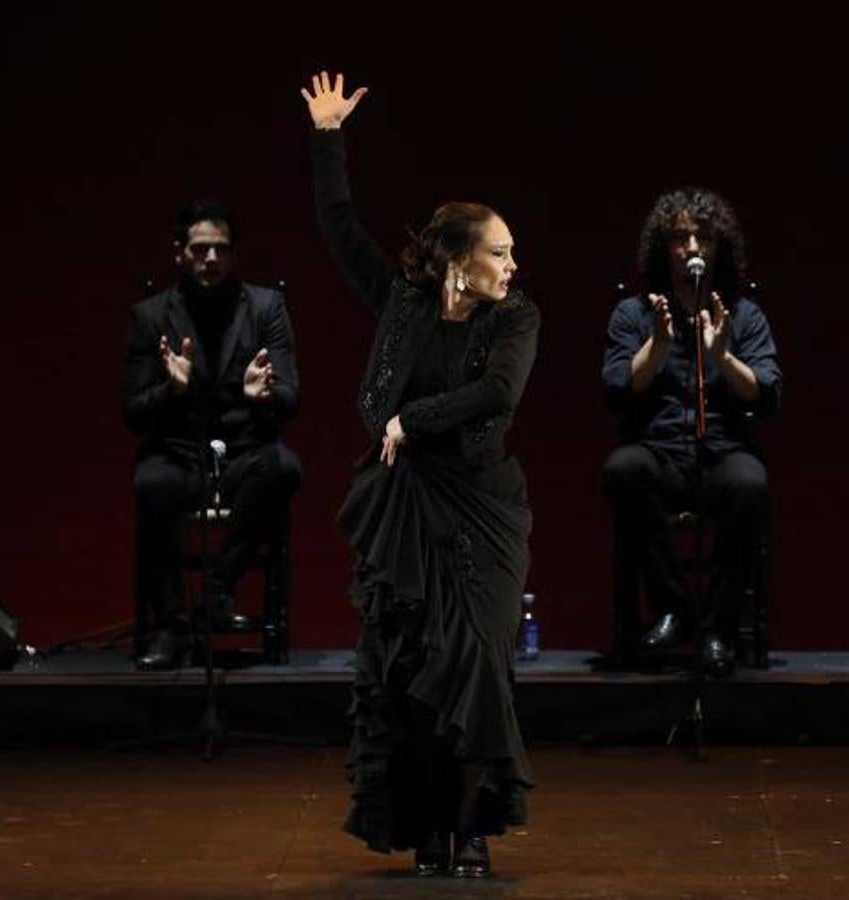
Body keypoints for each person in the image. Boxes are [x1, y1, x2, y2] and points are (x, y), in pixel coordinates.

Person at [302, 71, 538, 878]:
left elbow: (497, 392)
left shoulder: (515, 319)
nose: (513, 264)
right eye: (499, 252)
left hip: (480, 508)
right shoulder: (403, 302)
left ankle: (474, 825)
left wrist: (412, 419)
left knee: (475, 659)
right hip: (404, 506)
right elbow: (340, 228)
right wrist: (329, 138)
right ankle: (428, 831)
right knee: (408, 668)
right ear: (460, 260)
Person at [601, 188, 782, 676]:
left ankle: (719, 629)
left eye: (702, 236)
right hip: (659, 454)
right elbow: (618, 388)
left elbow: (767, 394)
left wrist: (724, 356)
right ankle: (677, 610)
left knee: (749, 482)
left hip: (722, 454)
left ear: (719, 246)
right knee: (623, 469)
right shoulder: (635, 315)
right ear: (664, 246)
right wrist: (656, 347)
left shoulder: (743, 316)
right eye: (681, 237)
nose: (692, 247)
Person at [123, 200, 301, 671]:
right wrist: (171, 390)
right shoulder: (150, 316)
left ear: (233, 254)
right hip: (179, 454)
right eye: (200, 249)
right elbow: (133, 413)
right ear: (179, 253)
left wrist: (262, 395)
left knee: (282, 468)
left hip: (244, 453)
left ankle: (217, 590)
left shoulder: (266, 308)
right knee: (152, 483)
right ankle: (172, 624)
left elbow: (291, 398)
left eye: (221, 249)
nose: (211, 259)